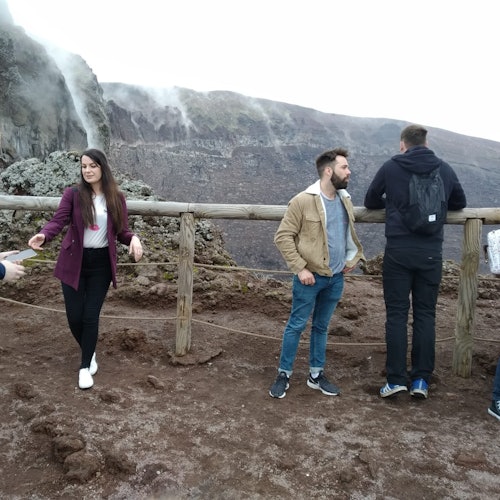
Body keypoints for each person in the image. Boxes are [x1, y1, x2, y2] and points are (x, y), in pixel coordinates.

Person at [364, 124, 467, 399]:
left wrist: (396, 207)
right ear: (426, 142)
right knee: (426, 315)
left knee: (396, 315)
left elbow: (370, 198)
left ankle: (396, 379)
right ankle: (421, 380)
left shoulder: (391, 167)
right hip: (431, 252)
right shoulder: (443, 168)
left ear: (402, 144)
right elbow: (459, 201)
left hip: (398, 250)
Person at [28, 149, 143, 390]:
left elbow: (122, 230)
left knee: (90, 316)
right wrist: (43, 235)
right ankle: (89, 354)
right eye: (83, 166)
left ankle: (83, 367)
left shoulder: (116, 197)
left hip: (100, 264)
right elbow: (58, 220)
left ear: (102, 167)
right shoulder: (73, 194)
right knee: (74, 317)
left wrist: (133, 239)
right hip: (73, 262)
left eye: (92, 165)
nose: (87, 170)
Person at [269, 148, 365, 399]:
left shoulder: (345, 200)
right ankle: (283, 374)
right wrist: (300, 268)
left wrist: (351, 259)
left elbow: (346, 235)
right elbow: (282, 236)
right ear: (328, 170)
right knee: (296, 326)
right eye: (344, 167)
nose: (349, 171)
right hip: (309, 278)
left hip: (336, 277)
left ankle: (316, 375)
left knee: (321, 327)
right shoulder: (302, 200)